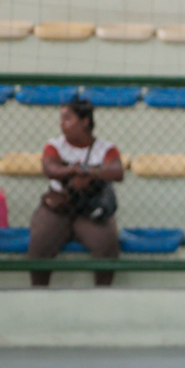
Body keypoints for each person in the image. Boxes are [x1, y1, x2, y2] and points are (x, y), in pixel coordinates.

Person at [28, 98, 121, 287]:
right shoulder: (55, 145)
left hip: (89, 207)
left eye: (67, 119)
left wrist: (89, 174)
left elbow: (117, 171)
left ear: (85, 122)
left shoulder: (106, 148)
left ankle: (102, 296)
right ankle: (37, 294)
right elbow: (50, 168)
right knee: (39, 245)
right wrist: (74, 171)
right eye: (61, 118)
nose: (61, 123)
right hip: (59, 206)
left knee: (107, 245)